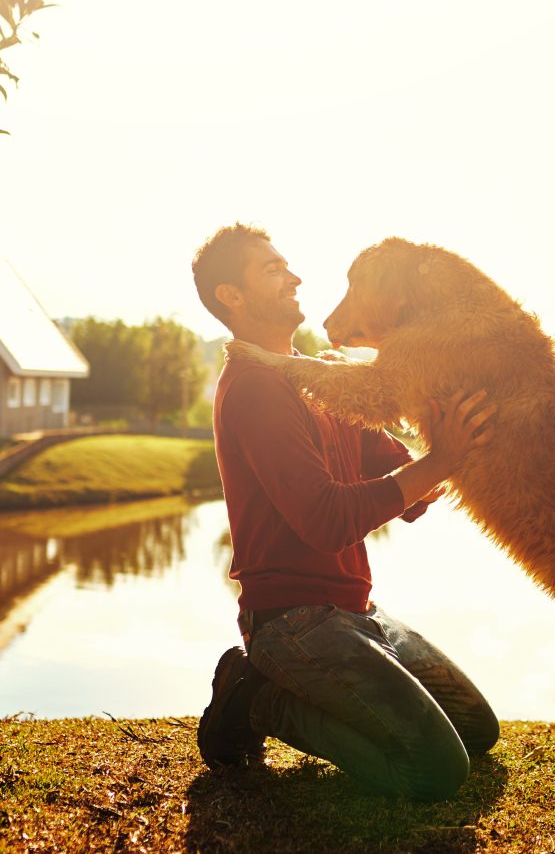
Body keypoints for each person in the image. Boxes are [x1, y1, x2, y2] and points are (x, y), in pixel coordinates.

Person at [190, 222, 499, 801]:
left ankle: (282, 691)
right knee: (433, 772)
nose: (296, 277)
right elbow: (327, 519)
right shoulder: (256, 388)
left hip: (357, 610)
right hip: (292, 622)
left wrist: (450, 432)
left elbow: (394, 467)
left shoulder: (320, 379)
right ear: (231, 295)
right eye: (273, 270)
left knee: (478, 731)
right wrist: (438, 463)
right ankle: (258, 701)